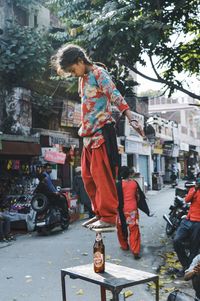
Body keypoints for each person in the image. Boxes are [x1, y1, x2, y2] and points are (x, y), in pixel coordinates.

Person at [53, 44, 145, 229]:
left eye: (72, 70)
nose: (73, 74)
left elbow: (115, 94)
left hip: (101, 134)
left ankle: (109, 216)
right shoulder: (83, 79)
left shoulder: (98, 73)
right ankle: (100, 213)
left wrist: (130, 117)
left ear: (80, 61)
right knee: (87, 178)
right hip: (87, 136)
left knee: (102, 178)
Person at [116, 166, 150, 259]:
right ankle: (135, 250)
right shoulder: (134, 183)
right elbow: (139, 196)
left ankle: (124, 246)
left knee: (121, 228)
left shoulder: (118, 185)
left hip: (122, 211)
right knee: (134, 230)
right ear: (129, 173)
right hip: (133, 211)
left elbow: (115, 199)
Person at [173, 177, 200, 277]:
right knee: (176, 240)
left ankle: (188, 269)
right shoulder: (193, 189)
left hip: (198, 223)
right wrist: (195, 190)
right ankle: (186, 265)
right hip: (188, 220)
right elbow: (187, 199)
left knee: (194, 248)